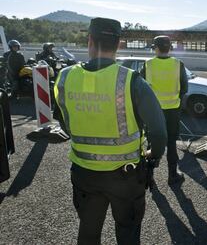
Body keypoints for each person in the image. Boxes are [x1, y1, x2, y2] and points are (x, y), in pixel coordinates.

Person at [54, 17, 167, 245]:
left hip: (84, 173)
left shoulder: (65, 77)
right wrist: (152, 155)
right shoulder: (132, 81)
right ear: (118, 44)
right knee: (127, 234)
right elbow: (158, 133)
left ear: (90, 41)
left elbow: (65, 123)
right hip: (126, 176)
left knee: (88, 232)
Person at [140, 35, 188, 185]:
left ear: (156, 48)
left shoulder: (148, 65)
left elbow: (141, 90)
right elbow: (184, 88)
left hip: (154, 112)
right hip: (173, 110)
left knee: (152, 142)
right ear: (169, 48)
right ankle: (172, 175)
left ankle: (149, 175)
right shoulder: (178, 64)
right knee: (172, 144)